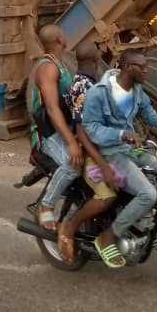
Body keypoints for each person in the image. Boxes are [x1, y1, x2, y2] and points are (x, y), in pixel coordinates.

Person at [82, 49, 157, 268]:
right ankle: (108, 236)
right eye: (142, 67)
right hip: (110, 153)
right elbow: (91, 129)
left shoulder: (136, 91)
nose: (147, 71)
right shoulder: (99, 93)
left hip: (131, 150)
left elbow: (148, 112)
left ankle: (147, 229)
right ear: (128, 67)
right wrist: (120, 134)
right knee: (148, 194)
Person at [55, 38, 120, 264]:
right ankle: (69, 227)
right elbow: (83, 132)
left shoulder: (90, 83)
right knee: (107, 194)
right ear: (94, 59)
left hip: (104, 148)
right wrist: (102, 164)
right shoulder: (83, 87)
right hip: (91, 153)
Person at [29, 25, 83, 231]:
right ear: (60, 39)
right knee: (72, 165)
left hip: (61, 128)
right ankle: (46, 205)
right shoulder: (47, 68)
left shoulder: (59, 65)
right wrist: (71, 142)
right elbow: (51, 108)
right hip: (47, 133)